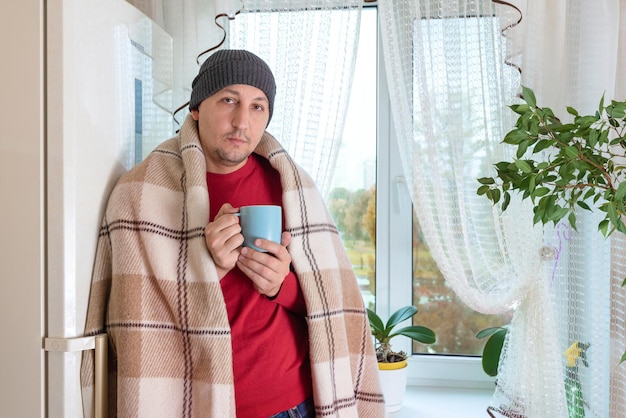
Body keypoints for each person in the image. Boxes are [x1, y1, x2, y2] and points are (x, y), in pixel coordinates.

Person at [81, 49, 385, 418]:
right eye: (229, 100)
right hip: (194, 404)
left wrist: (281, 285)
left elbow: (335, 305)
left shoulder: (292, 186)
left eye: (258, 106)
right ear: (196, 108)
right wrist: (206, 270)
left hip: (294, 403)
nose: (243, 121)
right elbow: (135, 326)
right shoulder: (140, 195)